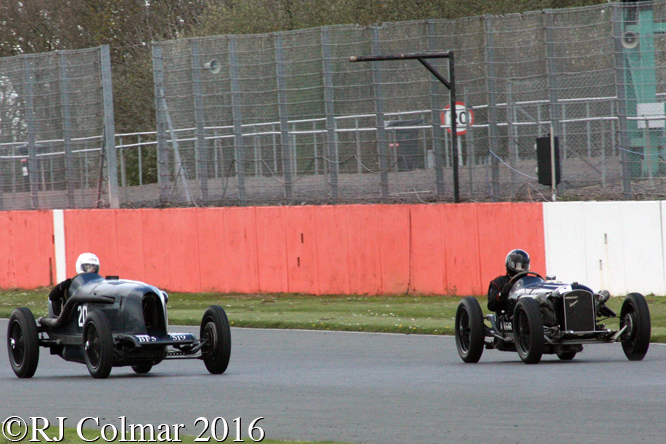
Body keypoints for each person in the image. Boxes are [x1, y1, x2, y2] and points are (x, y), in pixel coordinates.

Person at [487, 249, 530, 313]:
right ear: (510, 265)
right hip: (508, 317)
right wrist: (502, 294)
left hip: (530, 314)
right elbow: (491, 306)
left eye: (524, 266)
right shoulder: (499, 282)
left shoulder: (530, 281)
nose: (522, 269)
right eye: (518, 266)